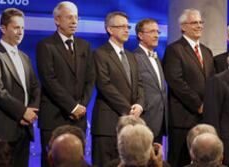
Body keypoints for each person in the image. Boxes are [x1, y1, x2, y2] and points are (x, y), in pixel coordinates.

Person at [36, 1, 95, 166]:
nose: (74, 21)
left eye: (76, 17)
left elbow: (90, 79)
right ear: (57, 20)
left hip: (79, 120)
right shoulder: (45, 46)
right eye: (69, 17)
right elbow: (49, 80)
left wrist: (82, 106)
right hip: (55, 117)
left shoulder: (85, 46)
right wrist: (72, 107)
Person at [162, 8, 215, 167]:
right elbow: (176, 81)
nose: (199, 26)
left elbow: (211, 82)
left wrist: (209, 106)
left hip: (204, 119)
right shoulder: (174, 49)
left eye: (200, 22)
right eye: (194, 22)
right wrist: (198, 104)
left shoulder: (206, 52)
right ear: (183, 27)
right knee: (180, 161)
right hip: (183, 118)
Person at [91, 11, 144, 166]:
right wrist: (128, 109)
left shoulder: (131, 55)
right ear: (110, 29)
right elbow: (104, 85)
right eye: (121, 26)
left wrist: (139, 105)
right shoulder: (100, 54)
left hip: (130, 126)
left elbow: (139, 84)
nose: (126, 30)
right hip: (107, 125)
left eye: (128, 26)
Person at [0, 8, 40, 167]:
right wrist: (22, 112)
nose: (21, 32)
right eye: (16, 27)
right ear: (3, 29)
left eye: (23, 28)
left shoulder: (24, 57)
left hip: (24, 130)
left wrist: (32, 110)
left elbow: (35, 87)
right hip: (3, 131)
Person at [133, 18, 167, 143]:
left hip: (160, 119)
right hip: (144, 118)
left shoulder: (157, 57)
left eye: (158, 32)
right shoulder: (134, 57)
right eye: (152, 31)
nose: (156, 35)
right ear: (140, 35)